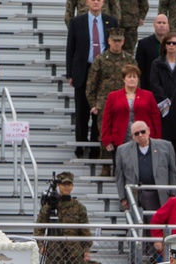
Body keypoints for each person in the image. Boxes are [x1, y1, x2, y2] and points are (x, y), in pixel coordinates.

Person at [66, 0, 118, 157]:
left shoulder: (111, 21)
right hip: (83, 69)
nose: (96, 2)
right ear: (87, 2)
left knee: (100, 108)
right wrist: (70, 73)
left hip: (103, 70)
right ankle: (80, 144)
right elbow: (71, 48)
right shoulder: (77, 22)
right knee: (82, 109)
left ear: (103, 2)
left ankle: (96, 147)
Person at [35, 171, 91, 264]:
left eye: (68, 184)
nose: (66, 187)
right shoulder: (50, 206)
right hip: (54, 248)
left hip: (74, 249)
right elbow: (39, 227)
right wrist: (40, 245)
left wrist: (86, 249)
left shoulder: (78, 207)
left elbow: (85, 231)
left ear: (72, 186)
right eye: (63, 184)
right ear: (58, 186)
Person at [86, 26, 135, 160]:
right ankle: (106, 164)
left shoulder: (129, 59)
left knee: (125, 132)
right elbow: (91, 84)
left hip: (125, 102)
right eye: (114, 41)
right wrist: (93, 104)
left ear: (123, 41)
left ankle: (125, 162)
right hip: (104, 102)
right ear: (109, 41)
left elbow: (135, 81)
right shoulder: (101, 59)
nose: (117, 43)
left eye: (119, 41)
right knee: (105, 133)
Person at [114, 119, 176, 216]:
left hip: (159, 194)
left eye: (143, 132)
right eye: (136, 133)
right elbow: (119, 176)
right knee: (137, 226)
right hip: (135, 195)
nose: (140, 135)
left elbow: (173, 171)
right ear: (132, 136)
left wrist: (172, 194)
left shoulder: (166, 146)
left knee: (158, 227)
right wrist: (123, 198)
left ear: (148, 130)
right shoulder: (122, 150)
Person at [100, 64, 160, 162]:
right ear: (124, 79)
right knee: (121, 168)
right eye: (129, 77)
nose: (132, 79)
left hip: (143, 138)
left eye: (134, 77)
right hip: (120, 138)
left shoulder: (148, 95)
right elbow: (107, 119)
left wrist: (157, 137)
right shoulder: (113, 96)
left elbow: (155, 117)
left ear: (138, 79)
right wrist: (107, 139)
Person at [148, 31, 176, 104]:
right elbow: (154, 84)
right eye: (168, 43)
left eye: (174, 43)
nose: (171, 45)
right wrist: (165, 100)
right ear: (165, 45)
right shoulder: (157, 63)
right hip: (162, 103)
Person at [135, 13, 167, 90]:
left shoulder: (174, 44)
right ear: (154, 25)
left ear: (168, 26)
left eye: (164, 23)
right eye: (159, 23)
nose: (161, 25)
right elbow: (139, 69)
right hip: (149, 88)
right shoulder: (143, 44)